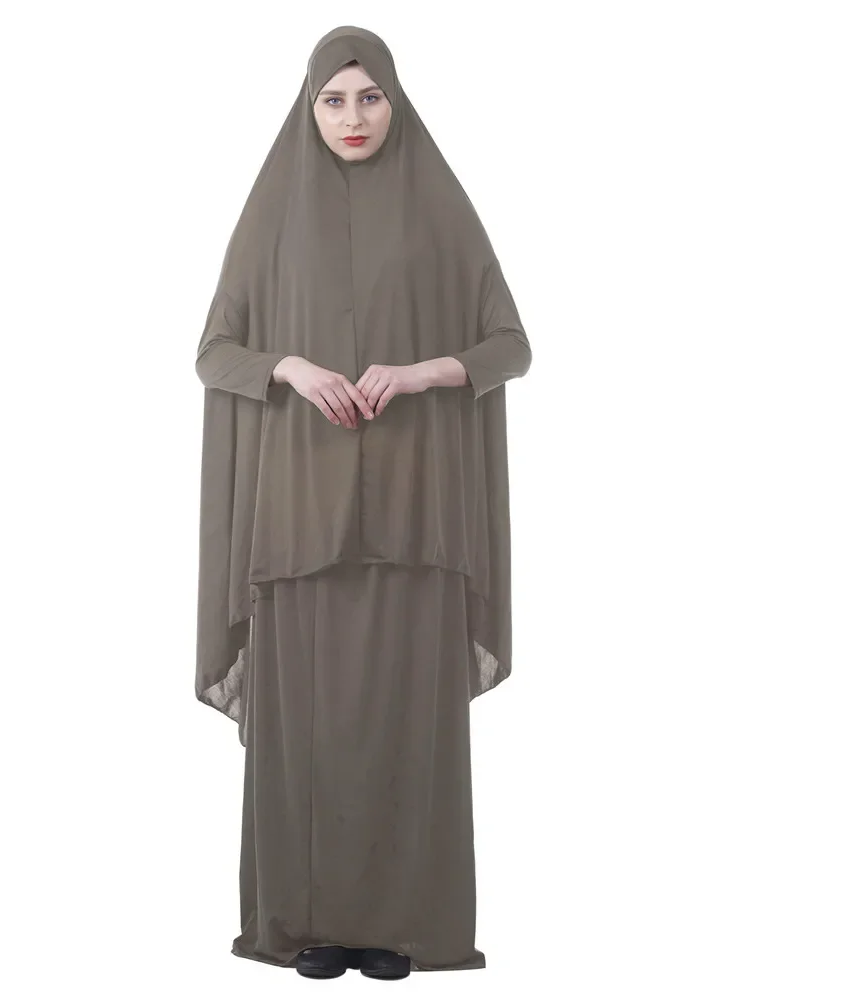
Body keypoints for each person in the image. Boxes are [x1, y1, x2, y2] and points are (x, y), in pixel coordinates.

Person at [194, 25, 532, 980]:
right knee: (309, 730)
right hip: (300, 518)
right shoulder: (273, 215)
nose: (353, 116)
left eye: (370, 97)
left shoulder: (441, 211)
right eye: (334, 99)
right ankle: (308, 924)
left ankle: (404, 927)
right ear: (310, 108)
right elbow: (214, 351)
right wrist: (289, 367)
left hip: (419, 515)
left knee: (408, 728)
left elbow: (512, 344)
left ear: (395, 102)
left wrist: (425, 371)